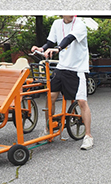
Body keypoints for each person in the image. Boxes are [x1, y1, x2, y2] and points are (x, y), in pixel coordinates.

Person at [31, 15, 94, 150]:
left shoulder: (80, 24)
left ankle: (88, 136)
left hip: (78, 69)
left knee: (82, 101)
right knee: (50, 98)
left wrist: (57, 49)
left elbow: (69, 39)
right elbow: (50, 42)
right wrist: (43, 48)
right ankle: (49, 129)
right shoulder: (56, 23)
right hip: (62, 68)